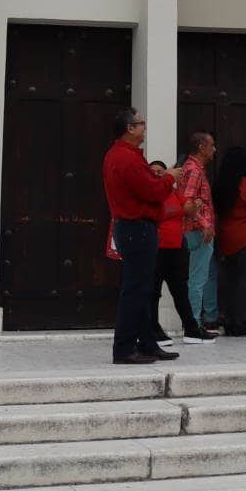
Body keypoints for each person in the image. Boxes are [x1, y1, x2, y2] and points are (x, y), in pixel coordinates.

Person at [102, 108, 180, 365]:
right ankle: (124, 348)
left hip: (135, 228)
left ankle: (147, 342)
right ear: (129, 129)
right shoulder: (126, 158)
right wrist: (168, 178)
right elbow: (152, 193)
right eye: (140, 124)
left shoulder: (124, 156)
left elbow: (142, 186)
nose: (144, 127)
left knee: (143, 289)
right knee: (135, 290)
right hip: (137, 229)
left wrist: (157, 177)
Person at [213, 146, 246, 338]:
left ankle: (229, 320)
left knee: (230, 282)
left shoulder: (222, 185)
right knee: (244, 281)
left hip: (227, 238)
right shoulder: (244, 184)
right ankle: (241, 322)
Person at [149, 163, 206, 347]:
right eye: (153, 171)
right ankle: (153, 329)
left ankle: (191, 328)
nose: (157, 173)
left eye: (160, 170)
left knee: (180, 290)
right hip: (157, 249)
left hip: (176, 248)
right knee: (153, 292)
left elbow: (187, 210)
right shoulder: (150, 193)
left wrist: (195, 206)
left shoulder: (173, 192)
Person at [178, 131, 221, 337]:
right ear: (201, 147)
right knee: (198, 279)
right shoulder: (194, 170)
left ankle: (193, 323)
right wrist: (204, 224)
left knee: (197, 278)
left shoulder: (190, 168)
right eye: (211, 145)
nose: (214, 149)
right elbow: (188, 201)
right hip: (197, 231)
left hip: (194, 230)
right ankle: (193, 325)